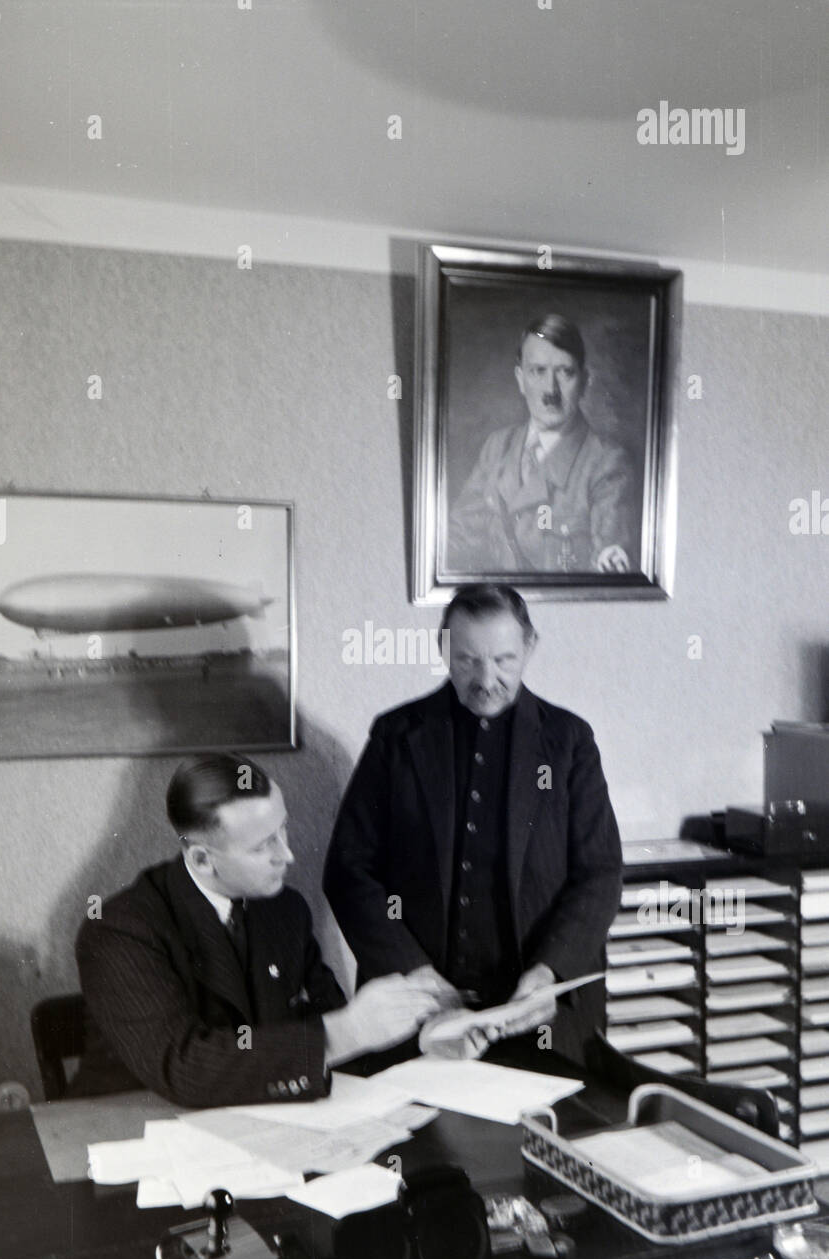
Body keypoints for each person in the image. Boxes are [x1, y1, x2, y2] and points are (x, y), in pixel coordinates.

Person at [323, 584, 622, 1062]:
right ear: (444, 648)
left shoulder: (569, 742)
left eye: (504, 660)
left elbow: (600, 874)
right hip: (418, 1016)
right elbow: (348, 870)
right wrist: (411, 972)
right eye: (466, 660)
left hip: (543, 1014)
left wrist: (550, 973)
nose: (486, 679)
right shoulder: (396, 736)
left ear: (530, 648)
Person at [73, 754, 445, 1108]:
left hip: (258, 1126)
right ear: (202, 859)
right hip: (133, 1130)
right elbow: (185, 1066)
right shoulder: (119, 931)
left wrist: (429, 1039)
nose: (288, 855)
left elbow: (330, 1021)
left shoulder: (284, 910)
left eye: (282, 830)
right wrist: (345, 1032)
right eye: (263, 845)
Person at [447, 314, 633, 574]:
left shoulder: (607, 463)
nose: (551, 391)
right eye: (538, 372)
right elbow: (457, 536)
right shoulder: (497, 447)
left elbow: (608, 566)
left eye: (565, 373)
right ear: (521, 379)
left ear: (584, 381)